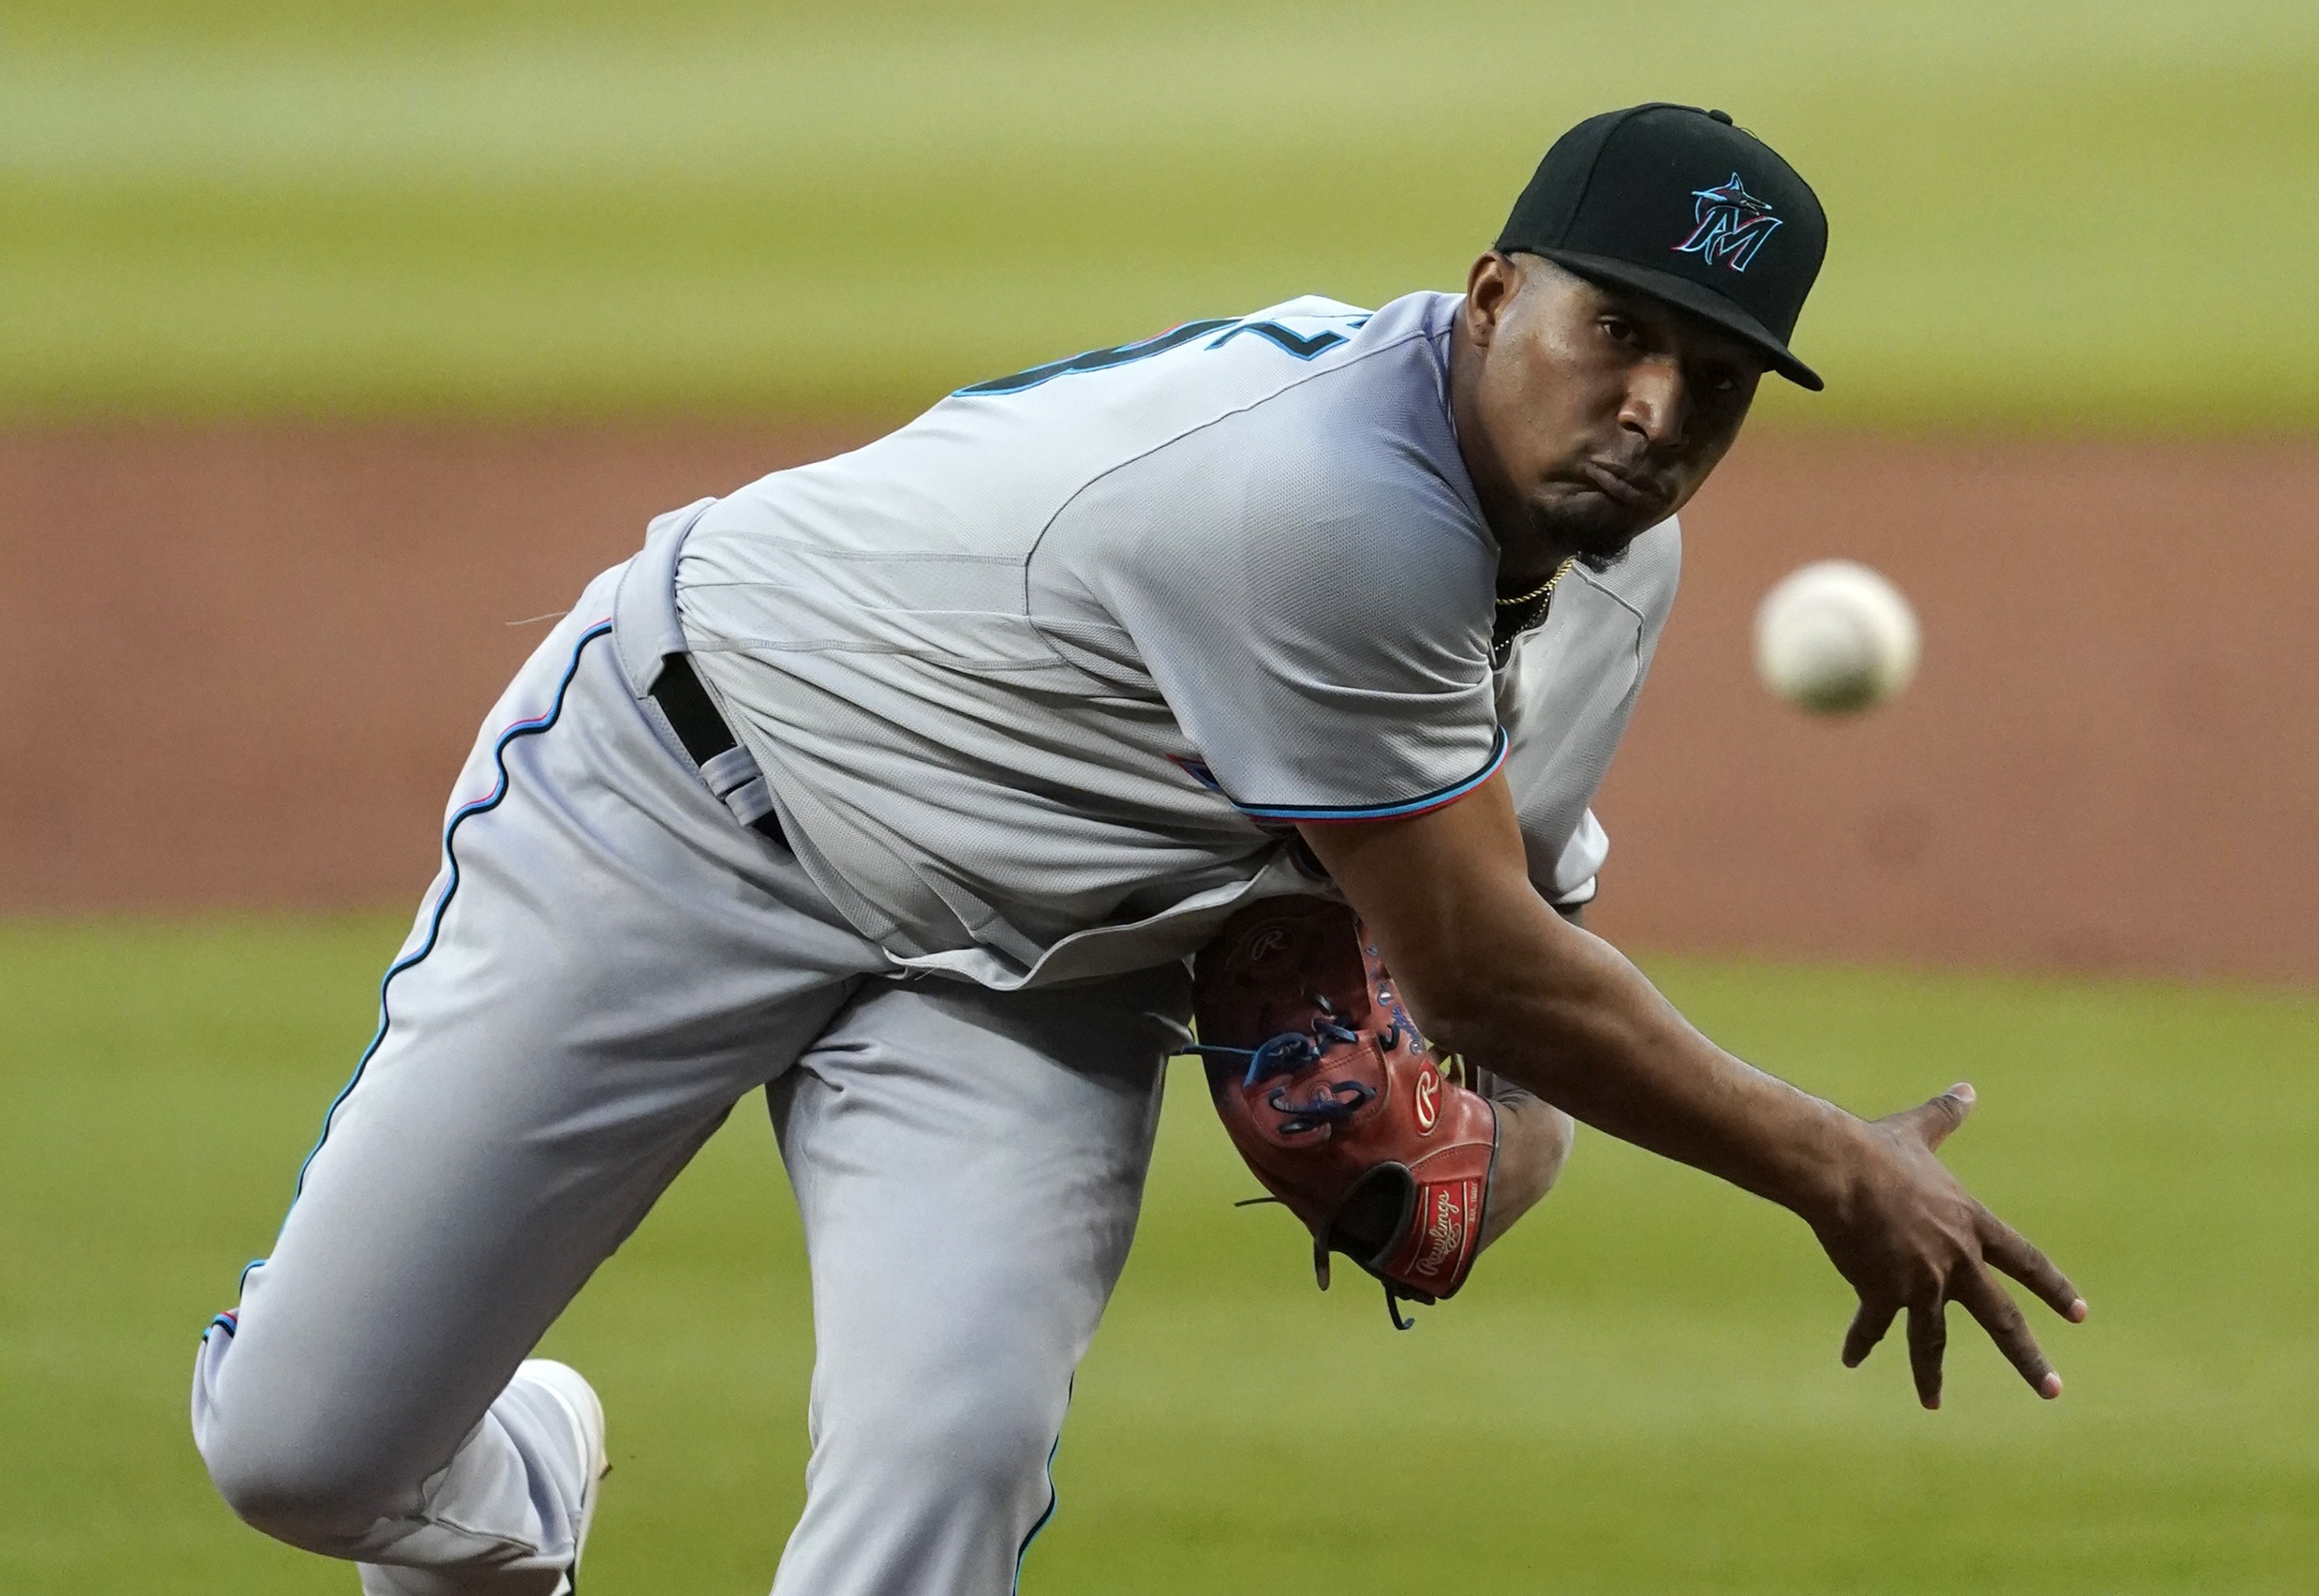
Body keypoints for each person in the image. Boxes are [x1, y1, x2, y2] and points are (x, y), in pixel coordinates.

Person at [191, 102, 2082, 1595]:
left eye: (1719, 377)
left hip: (1030, 978)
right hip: (686, 811)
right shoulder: (1334, 499)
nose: (1659, 410)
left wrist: (1497, 1149)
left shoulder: (1619, 563)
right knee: (302, 1455)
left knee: (943, 1464)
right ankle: (523, 1461)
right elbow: (1482, 964)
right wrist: (1837, 1164)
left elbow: (1521, 939)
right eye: (1621, 333)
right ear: (1495, 294)